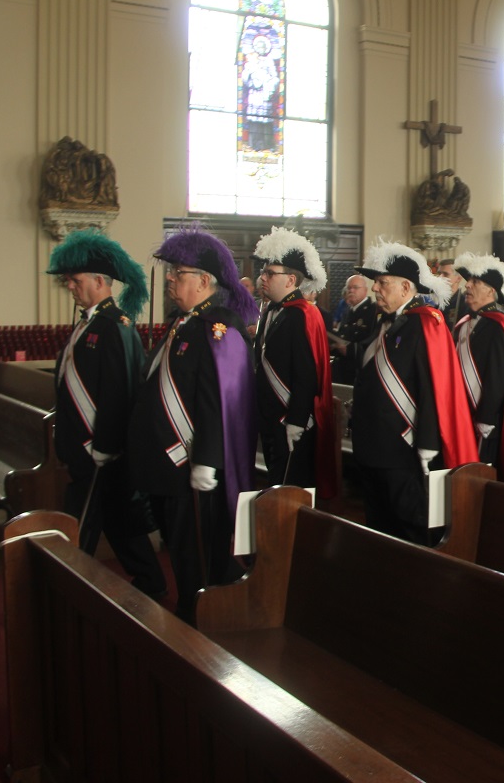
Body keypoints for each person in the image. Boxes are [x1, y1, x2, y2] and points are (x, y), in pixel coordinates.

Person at [128, 225, 258, 624]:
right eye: (170, 272)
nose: (170, 279)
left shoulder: (220, 329)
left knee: (196, 552)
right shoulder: (182, 323)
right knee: (178, 547)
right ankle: (193, 608)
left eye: (179, 273)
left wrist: (207, 459)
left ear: (204, 281)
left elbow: (223, 402)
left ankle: (201, 617)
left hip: (192, 464)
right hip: (168, 464)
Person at [46, 229, 166, 598]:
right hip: (83, 445)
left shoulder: (116, 326)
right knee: (117, 519)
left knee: (85, 522)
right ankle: (151, 581)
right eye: (69, 280)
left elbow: (120, 391)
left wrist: (105, 445)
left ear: (100, 281)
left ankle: (67, 589)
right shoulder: (88, 322)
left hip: (99, 449)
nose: (70, 286)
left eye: (76, 280)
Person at [353, 241, 478, 543]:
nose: (375, 289)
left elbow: (435, 387)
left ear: (406, 287)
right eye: (375, 282)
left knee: (409, 528)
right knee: (379, 529)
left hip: (403, 450)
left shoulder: (427, 323)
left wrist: (428, 444)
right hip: (372, 446)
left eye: (382, 282)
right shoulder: (384, 321)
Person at [252, 227, 335, 497]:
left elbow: (306, 373)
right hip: (269, 417)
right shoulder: (270, 311)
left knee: (291, 491)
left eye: (269, 273)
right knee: (274, 485)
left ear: (290, 280)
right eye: (263, 272)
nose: (262, 278)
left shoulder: (303, 314)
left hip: (290, 420)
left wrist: (297, 420)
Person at [453, 252, 504, 484]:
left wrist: (485, 418)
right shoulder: (463, 324)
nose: (467, 285)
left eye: (475, 281)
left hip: (484, 417)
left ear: (491, 291)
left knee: (479, 478)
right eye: (468, 280)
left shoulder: (500, 325)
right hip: (460, 411)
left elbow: (497, 376)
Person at [328, 274, 377, 385]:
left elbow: (372, 341)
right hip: (342, 368)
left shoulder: (372, 311)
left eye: (355, 287)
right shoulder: (348, 310)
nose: (351, 291)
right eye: (349, 288)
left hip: (358, 369)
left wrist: (350, 350)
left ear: (365, 290)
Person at [435, 258, 470, 330]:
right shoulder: (437, 302)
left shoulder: (464, 303)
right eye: (439, 274)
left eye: (445, 274)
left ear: (458, 278)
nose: (440, 277)